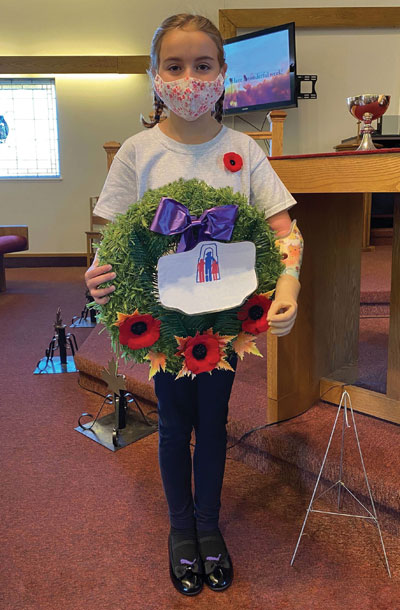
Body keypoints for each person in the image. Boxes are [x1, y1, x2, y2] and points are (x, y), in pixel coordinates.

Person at [85, 13, 303, 597]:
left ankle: (209, 527)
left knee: (214, 423)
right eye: (174, 66)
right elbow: (114, 238)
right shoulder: (138, 151)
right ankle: (182, 531)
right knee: (173, 422)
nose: (188, 78)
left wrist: (288, 287)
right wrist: (97, 273)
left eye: (202, 66)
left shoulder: (243, 151)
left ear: (223, 75)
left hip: (224, 321)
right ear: (155, 76)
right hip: (163, 322)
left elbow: (285, 231)